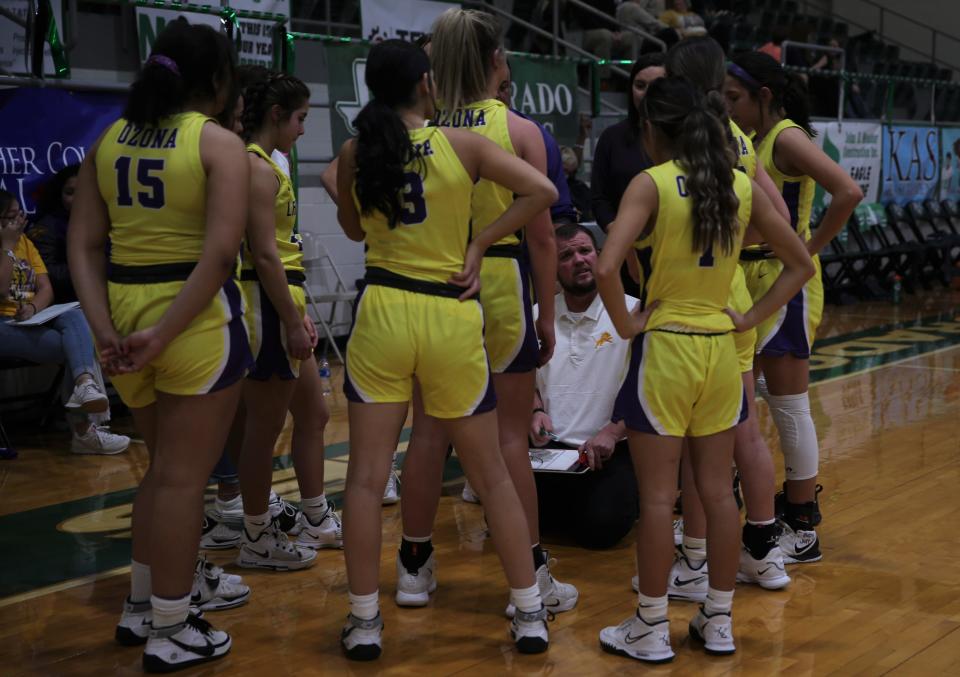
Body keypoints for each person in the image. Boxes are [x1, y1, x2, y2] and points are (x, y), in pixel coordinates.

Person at [333, 39, 557, 660]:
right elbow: (541, 192)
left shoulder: (356, 150)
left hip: (381, 311)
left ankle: (363, 620)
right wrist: (481, 242)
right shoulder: (463, 144)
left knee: (364, 478)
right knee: (491, 475)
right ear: (427, 85)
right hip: (449, 312)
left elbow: (351, 225)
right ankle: (530, 612)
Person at [594, 76, 814, 663]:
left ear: (651, 130)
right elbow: (800, 264)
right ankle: (717, 621)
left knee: (660, 496)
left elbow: (605, 265)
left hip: (667, 349)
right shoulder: (739, 183)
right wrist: (749, 319)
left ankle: (649, 627)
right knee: (719, 493)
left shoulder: (652, 183)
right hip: (720, 349)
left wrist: (626, 325)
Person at [68, 20, 252, 671]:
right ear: (218, 80)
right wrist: (166, 332)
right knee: (182, 477)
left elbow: (83, 244)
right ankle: (172, 626)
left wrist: (105, 329)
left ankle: (142, 603)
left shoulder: (108, 139)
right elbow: (222, 252)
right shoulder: (219, 144)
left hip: (124, 310)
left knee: (162, 467)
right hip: (190, 320)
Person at [395, 8, 577, 621]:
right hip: (499, 280)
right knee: (508, 442)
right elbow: (546, 240)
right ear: (495, 62)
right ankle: (531, 577)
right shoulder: (521, 130)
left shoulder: (421, 128)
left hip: (433, 284)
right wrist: (546, 316)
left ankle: (414, 568)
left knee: (428, 431)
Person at [660, 36, 794, 600]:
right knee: (741, 432)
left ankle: (694, 559)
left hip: (692, 299)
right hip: (734, 295)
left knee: (700, 443)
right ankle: (762, 549)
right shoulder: (738, 136)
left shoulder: (683, 135)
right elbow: (779, 218)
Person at [726, 52, 863, 563]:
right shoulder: (750, 139)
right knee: (742, 403)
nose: (726, 106)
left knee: (788, 405)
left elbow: (848, 192)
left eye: (733, 97)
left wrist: (808, 249)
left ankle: (802, 524)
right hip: (750, 273)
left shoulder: (785, 136)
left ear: (763, 96)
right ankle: (754, 508)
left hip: (783, 277)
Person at [232, 71, 332, 571]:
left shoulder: (273, 163)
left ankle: (313, 514)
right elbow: (265, 256)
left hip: (285, 299)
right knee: (263, 430)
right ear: (276, 116)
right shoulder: (255, 168)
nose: (302, 129)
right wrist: (292, 320)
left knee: (314, 413)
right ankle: (254, 535)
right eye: (299, 119)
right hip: (267, 303)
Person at [530, 224, 638, 549]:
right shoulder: (537, 316)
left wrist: (612, 432)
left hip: (611, 448)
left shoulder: (633, 312)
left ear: (600, 257)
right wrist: (534, 410)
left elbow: (646, 386)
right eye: (566, 255)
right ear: (552, 268)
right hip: (550, 451)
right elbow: (523, 382)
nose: (579, 260)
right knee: (508, 519)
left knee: (602, 529)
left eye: (585, 251)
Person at [0, 190, 130, 455]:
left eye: (19, 215)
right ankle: (85, 431)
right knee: (76, 345)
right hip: (3, 323)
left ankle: (84, 384)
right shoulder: (12, 243)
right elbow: (2, 290)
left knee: (75, 315)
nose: (19, 222)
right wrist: (7, 247)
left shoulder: (26, 242)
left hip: (28, 317)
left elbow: (46, 287)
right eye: (11, 217)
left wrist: (34, 307)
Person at [591, 53, 665, 294]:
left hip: (672, 249)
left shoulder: (685, 139)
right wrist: (624, 239)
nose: (646, 94)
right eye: (640, 86)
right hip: (623, 251)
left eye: (656, 87)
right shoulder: (612, 137)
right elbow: (600, 199)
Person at [27, 164, 80, 303]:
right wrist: (94, 267)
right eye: (70, 193)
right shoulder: (47, 227)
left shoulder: (106, 221)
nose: (77, 199)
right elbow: (45, 273)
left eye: (84, 192)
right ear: (59, 195)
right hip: (64, 304)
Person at [560, 146, 592, 222]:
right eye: (565, 171)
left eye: (570, 172)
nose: (567, 175)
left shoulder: (581, 187)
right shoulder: (555, 188)